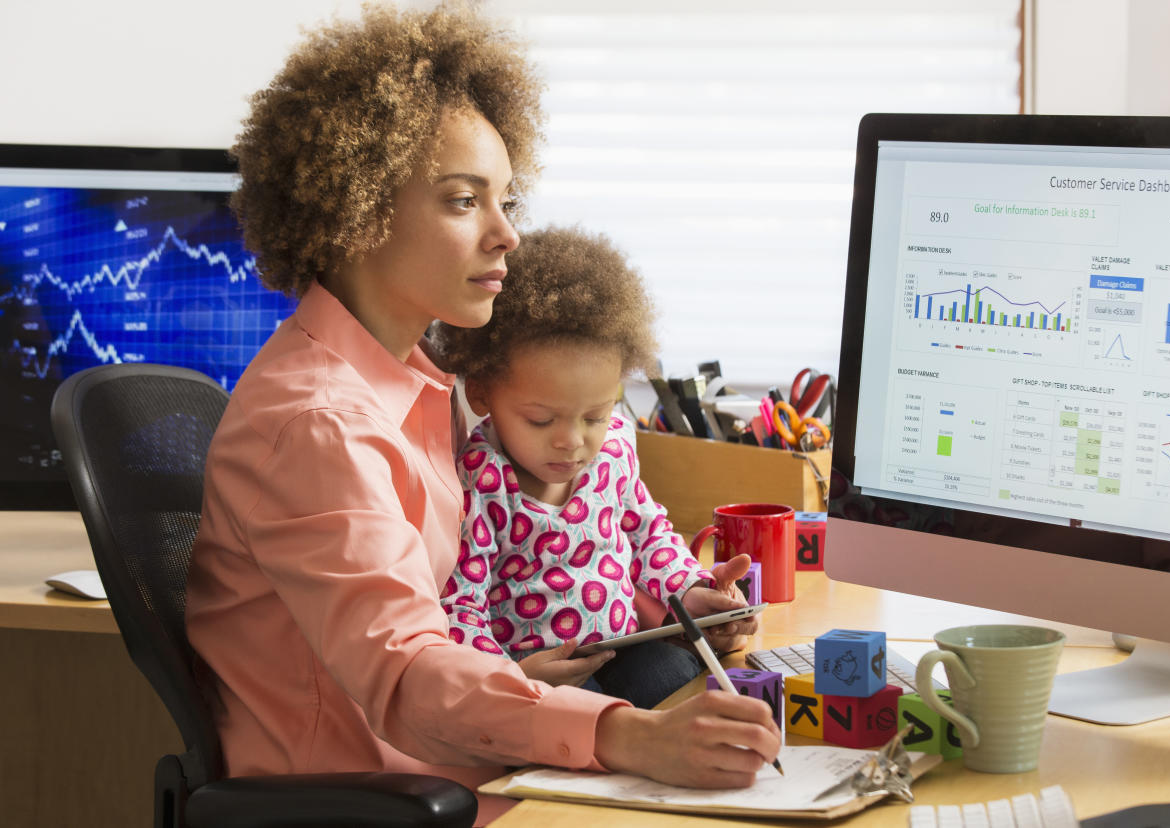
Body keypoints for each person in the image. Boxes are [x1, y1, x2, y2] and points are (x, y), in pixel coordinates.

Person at [184, 4, 779, 824]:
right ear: (358, 211)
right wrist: (631, 738)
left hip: (476, 767)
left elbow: (524, 579)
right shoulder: (319, 423)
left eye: (505, 200)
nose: (507, 236)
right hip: (388, 797)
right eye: (466, 201)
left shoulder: (425, 391)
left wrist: (665, 613)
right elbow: (408, 672)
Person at [432, 226, 756, 709]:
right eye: (541, 420)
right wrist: (509, 677)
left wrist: (692, 589)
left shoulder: (614, 451)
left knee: (681, 683)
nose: (572, 441)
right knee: (583, 714)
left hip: (620, 647)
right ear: (482, 393)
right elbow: (461, 606)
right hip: (537, 670)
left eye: (595, 416)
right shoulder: (482, 478)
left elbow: (648, 536)